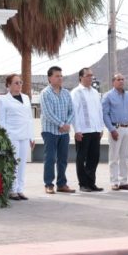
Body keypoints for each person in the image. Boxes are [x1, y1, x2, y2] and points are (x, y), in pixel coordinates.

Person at [0, 73, 35, 201]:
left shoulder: (26, 98)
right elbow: (2, 121)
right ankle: (12, 190)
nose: (19, 85)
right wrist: (4, 137)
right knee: (13, 163)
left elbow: (29, 119)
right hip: (11, 136)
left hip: (25, 135)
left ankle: (20, 190)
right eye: (16, 83)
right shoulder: (3, 100)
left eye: (20, 82)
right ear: (8, 85)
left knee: (22, 163)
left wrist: (32, 137)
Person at [39, 66, 75, 194]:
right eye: (57, 76)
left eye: (61, 76)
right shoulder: (45, 93)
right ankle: (49, 184)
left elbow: (72, 111)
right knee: (50, 158)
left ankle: (62, 184)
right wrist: (61, 124)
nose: (60, 78)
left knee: (63, 159)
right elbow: (47, 113)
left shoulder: (66, 93)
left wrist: (67, 124)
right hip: (50, 131)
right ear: (50, 78)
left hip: (64, 132)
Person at [71, 68, 104, 192]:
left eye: (92, 75)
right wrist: (77, 130)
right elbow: (74, 112)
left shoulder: (95, 92)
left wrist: (101, 127)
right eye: (88, 75)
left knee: (94, 158)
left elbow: (99, 111)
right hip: (83, 131)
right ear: (81, 77)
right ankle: (83, 184)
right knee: (81, 158)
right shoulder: (76, 92)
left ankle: (91, 183)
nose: (91, 78)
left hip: (95, 130)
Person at [101, 73, 128, 191]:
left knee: (125, 157)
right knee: (114, 157)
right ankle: (114, 182)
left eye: (122, 79)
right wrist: (112, 129)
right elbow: (105, 114)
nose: (121, 81)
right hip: (116, 129)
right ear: (113, 82)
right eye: (118, 79)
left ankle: (123, 181)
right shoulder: (108, 96)